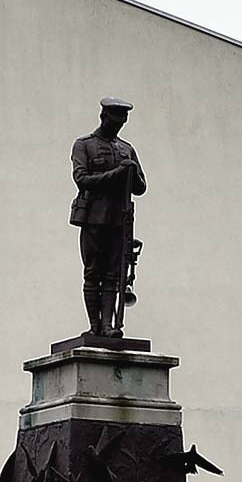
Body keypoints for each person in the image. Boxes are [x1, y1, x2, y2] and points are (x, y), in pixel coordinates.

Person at [69, 98, 145, 336]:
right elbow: (81, 179)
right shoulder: (84, 145)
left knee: (113, 275)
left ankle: (108, 326)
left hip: (119, 220)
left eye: (122, 123)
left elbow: (140, 187)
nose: (118, 126)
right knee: (93, 273)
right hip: (93, 217)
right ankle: (94, 326)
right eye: (115, 122)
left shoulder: (126, 149)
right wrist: (117, 173)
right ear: (104, 117)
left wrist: (131, 172)